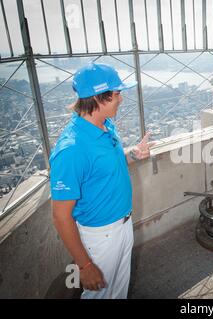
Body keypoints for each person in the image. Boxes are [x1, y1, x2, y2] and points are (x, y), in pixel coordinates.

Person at [50, 63, 155, 299]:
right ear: (99, 98)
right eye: (117, 94)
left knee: (118, 291)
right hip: (101, 236)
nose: (121, 99)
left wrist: (133, 153)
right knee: (98, 295)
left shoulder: (105, 125)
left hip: (123, 224)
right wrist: (85, 266)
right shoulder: (72, 149)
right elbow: (60, 216)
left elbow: (104, 166)